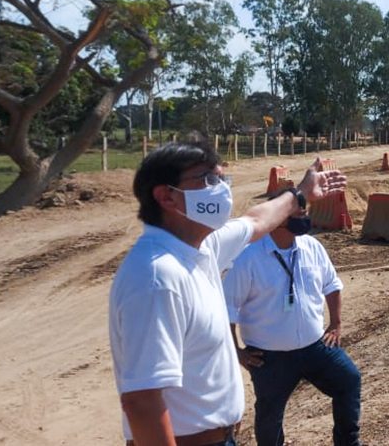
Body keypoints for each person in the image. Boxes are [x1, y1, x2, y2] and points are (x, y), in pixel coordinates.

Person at [109, 140, 346, 446]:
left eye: (222, 179)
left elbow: (257, 220)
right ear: (166, 196)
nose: (220, 189)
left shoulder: (202, 249)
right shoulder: (157, 277)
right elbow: (142, 402)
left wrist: (301, 191)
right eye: (208, 180)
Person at [223, 184, 366, 446]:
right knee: (269, 415)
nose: (304, 216)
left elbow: (331, 286)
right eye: (296, 212)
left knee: (349, 381)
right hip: (269, 358)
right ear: (277, 217)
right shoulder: (247, 257)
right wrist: (238, 352)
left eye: (303, 211)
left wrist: (336, 324)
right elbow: (226, 310)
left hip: (315, 348)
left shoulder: (312, 247)